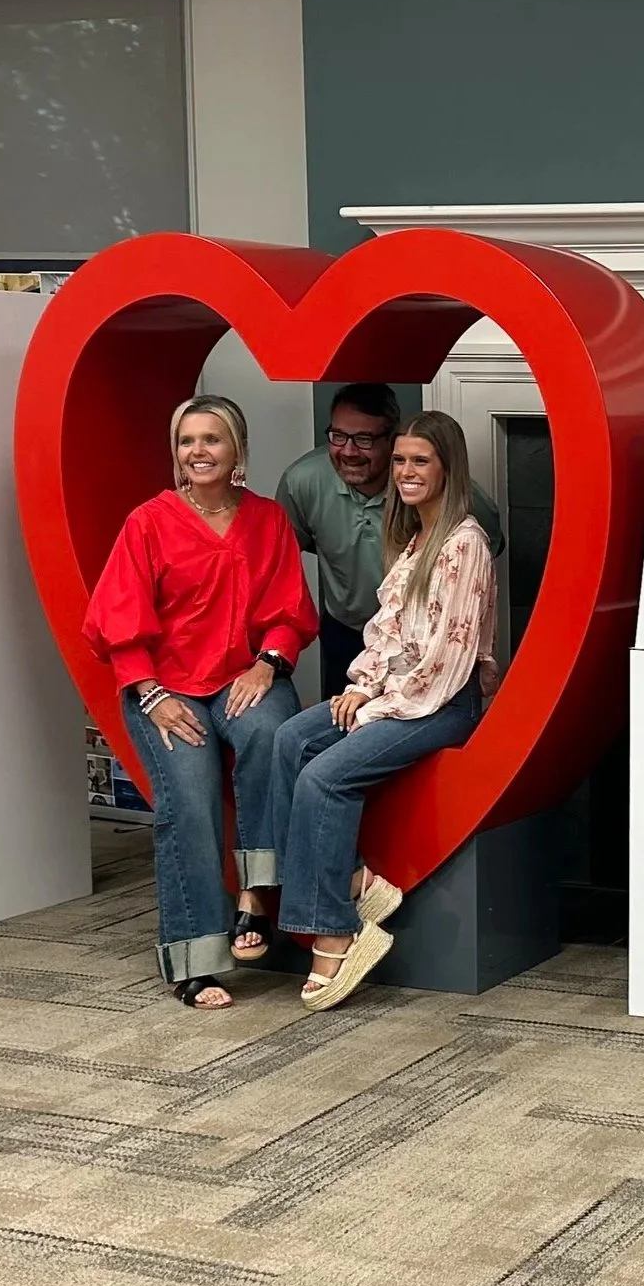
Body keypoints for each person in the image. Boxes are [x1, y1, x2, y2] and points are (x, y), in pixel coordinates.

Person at [82, 395, 318, 1010]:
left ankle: (257, 897)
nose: (199, 451)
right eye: (188, 441)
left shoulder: (267, 521)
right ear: (176, 452)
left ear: (237, 449)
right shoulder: (148, 522)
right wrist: (151, 693)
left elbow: (291, 612)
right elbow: (117, 621)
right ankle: (195, 959)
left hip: (245, 677)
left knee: (275, 736)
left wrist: (269, 665)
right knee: (187, 800)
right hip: (165, 688)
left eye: (212, 439)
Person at [263, 410, 499, 1011]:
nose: (406, 472)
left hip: (439, 704)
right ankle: (352, 881)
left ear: (448, 468)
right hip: (397, 694)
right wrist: (363, 687)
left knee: (324, 776)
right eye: (400, 460)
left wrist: (374, 708)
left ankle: (337, 931)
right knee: (290, 739)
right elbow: (390, 634)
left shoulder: (463, 543)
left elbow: (446, 660)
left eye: (421, 461)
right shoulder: (416, 538)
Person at [276, 383, 502, 702]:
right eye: (338, 436)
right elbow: (282, 560)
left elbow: (484, 554)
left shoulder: (457, 499)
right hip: (347, 632)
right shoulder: (302, 482)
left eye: (364, 439)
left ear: (392, 438)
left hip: (421, 648)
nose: (349, 451)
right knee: (336, 733)